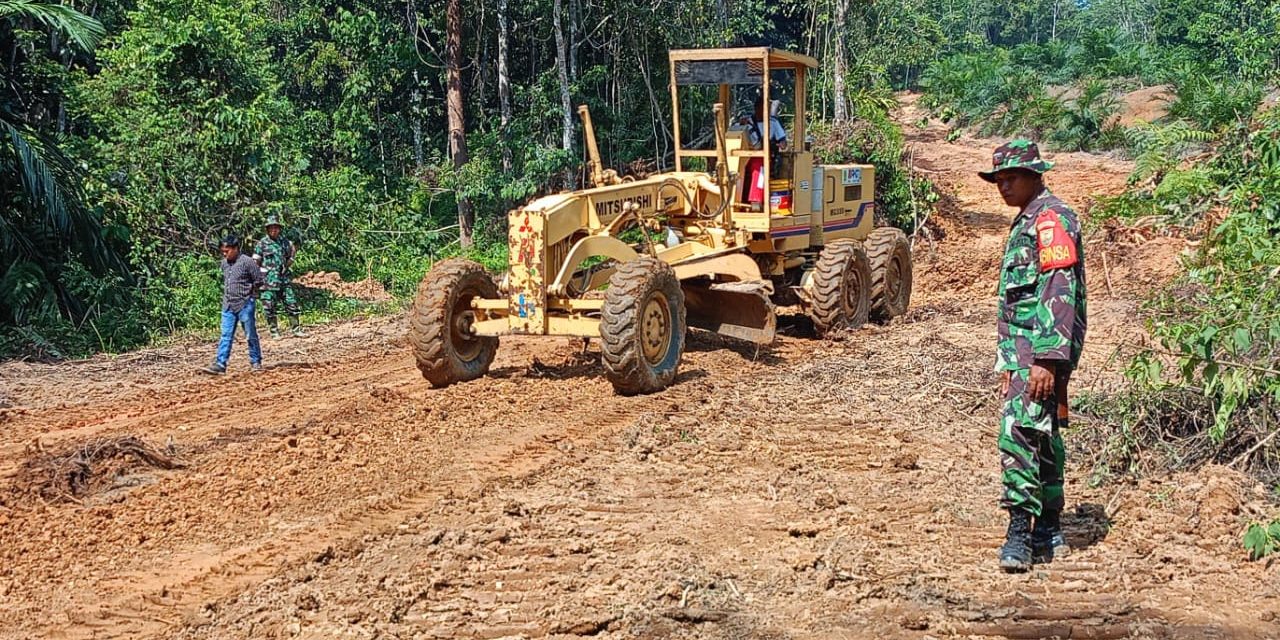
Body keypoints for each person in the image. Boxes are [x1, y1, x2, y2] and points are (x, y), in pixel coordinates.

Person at [979, 139, 1087, 572]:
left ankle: (1021, 533)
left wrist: (1046, 359)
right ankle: (1050, 528)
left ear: (1034, 176)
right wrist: (1010, 360)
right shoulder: (1027, 219)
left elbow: (1059, 291)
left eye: (1011, 179)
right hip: (1024, 349)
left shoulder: (1050, 219)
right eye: (998, 180)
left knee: (1019, 433)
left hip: (1041, 348)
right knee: (1041, 431)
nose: (1003, 187)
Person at [202, 235, 265, 375]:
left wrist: (251, 297)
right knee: (226, 335)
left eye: (227, 251)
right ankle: (220, 363)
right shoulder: (224, 263)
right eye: (223, 251)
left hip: (244, 304)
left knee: (250, 334)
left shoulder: (247, 262)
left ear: (236, 249)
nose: (225, 254)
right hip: (228, 305)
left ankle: (255, 361)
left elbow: (259, 280)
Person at [254, 213, 306, 339]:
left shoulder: (285, 243)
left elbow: (291, 256)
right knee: (270, 307)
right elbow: (255, 262)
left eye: (276, 227)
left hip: (283, 279)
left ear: (279, 228)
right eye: (271, 228)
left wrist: (287, 266)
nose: (274, 230)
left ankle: (296, 329)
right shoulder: (262, 244)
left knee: (291, 303)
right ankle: (274, 331)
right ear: (267, 229)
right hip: (268, 282)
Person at [741, 95, 788, 208]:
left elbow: (783, 141)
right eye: (762, 108)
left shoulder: (773, 123)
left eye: (767, 107)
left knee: (760, 168)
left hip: (765, 157)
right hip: (745, 155)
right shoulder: (747, 122)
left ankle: (755, 200)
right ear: (756, 108)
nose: (765, 111)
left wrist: (781, 144)